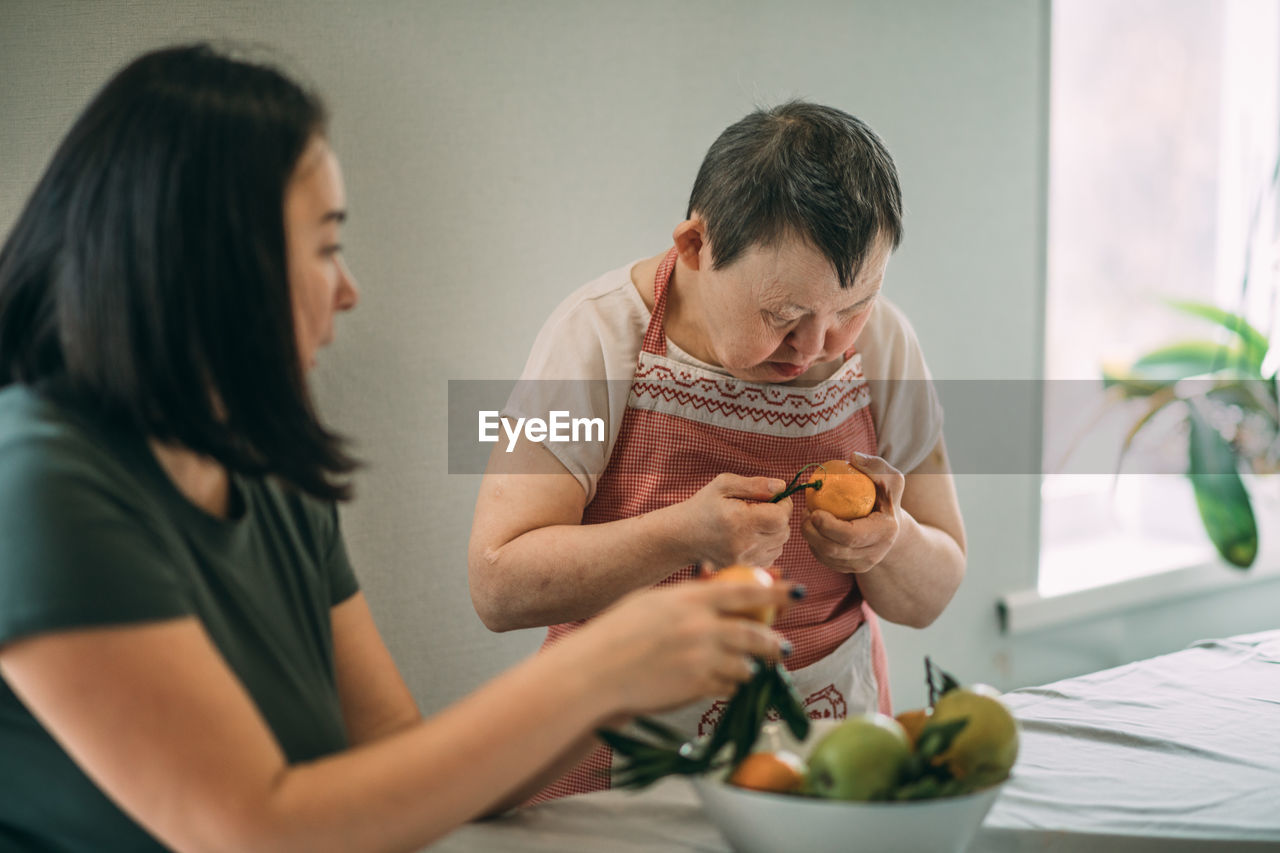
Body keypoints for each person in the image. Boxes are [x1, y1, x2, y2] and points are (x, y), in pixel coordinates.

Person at [0, 44, 797, 852]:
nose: (349, 290)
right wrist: (617, 636)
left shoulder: (273, 478)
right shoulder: (35, 482)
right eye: (324, 246)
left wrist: (625, 681)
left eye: (850, 313)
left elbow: (401, 763)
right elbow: (253, 823)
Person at [469, 101, 967, 800]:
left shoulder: (885, 347)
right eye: (783, 316)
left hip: (830, 754)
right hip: (624, 771)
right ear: (696, 246)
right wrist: (684, 533)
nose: (821, 346)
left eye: (853, 308)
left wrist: (889, 541)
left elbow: (935, 589)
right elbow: (497, 583)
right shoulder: (594, 340)